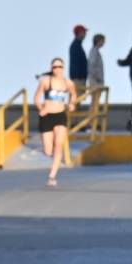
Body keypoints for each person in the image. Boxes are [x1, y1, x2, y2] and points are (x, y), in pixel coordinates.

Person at [35, 57, 75, 187]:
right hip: (47, 116)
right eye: (54, 67)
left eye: (59, 67)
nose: (57, 69)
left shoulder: (68, 83)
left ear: (63, 68)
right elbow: (36, 97)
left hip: (60, 115)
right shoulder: (46, 81)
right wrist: (41, 108)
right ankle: (49, 153)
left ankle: (52, 176)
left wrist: (72, 103)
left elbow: (73, 95)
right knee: (48, 151)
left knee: (59, 144)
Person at [67, 25, 89, 98]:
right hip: (77, 78)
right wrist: (80, 76)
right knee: (76, 99)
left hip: (79, 78)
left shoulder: (77, 45)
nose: (85, 34)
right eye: (84, 32)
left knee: (78, 99)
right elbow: (77, 63)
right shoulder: (75, 46)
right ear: (79, 33)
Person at [86, 33, 106, 109]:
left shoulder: (96, 51)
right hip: (95, 80)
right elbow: (92, 65)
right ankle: (92, 118)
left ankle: (93, 117)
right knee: (94, 100)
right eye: (103, 41)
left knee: (96, 101)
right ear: (98, 40)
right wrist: (97, 77)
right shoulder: (94, 51)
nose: (104, 43)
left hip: (97, 80)